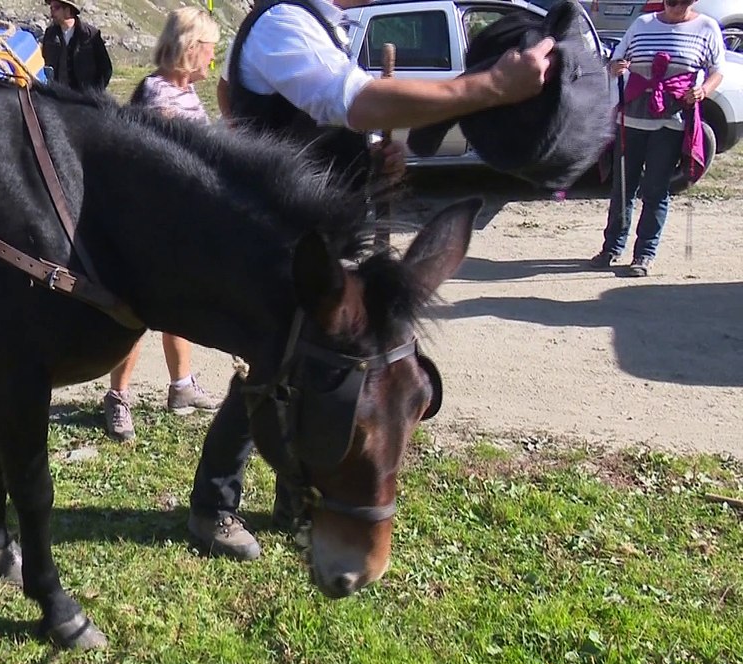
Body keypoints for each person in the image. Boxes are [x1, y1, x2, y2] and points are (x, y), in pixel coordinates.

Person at [187, 0, 557, 559]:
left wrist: (371, 161)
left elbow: (314, 117)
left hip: (316, 236)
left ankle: (294, 497)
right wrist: (493, 87)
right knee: (267, 372)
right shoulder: (281, 24)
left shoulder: (322, 27)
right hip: (280, 243)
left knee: (302, 374)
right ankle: (212, 507)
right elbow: (354, 102)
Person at [102, 7, 223, 443]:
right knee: (138, 315)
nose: (214, 56)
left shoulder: (180, 92)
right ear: (192, 48)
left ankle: (181, 387)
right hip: (152, 229)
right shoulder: (160, 98)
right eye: (210, 47)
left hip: (177, 226)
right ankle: (118, 397)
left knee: (176, 309)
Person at [590, 0, 724, 277]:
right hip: (632, 118)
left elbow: (717, 70)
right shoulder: (643, 24)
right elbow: (617, 59)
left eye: (682, 2)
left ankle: (644, 255)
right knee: (623, 187)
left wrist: (702, 91)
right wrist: (616, 67)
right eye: (670, 1)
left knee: (655, 190)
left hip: (671, 123)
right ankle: (612, 248)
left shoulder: (706, 27)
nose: (675, 6)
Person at [40, 0, 113, 92]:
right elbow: (45, 61)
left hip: (84, 100)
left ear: (68, 10)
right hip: (58, 98)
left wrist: (95, 93)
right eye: (51, 7)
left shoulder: (90, 35)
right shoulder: (50, 34)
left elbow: (105, 68)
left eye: (56, 7)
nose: (52, 11)